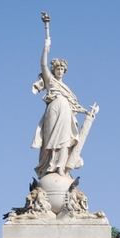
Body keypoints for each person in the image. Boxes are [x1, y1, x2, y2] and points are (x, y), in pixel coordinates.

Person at [32, 35, 93, 178]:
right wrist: (46, 48)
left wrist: (87, 112)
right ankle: (49, 166)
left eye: (62, 69)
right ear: (54, 70)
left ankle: (60, 167)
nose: (60, 70)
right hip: (53, 110)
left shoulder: (67, 89)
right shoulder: (50, 80)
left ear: (65, 71)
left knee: (66, 139)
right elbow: (43, 65)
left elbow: (75, 105)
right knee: (50, 139)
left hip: (66, 112)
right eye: (58, 68)